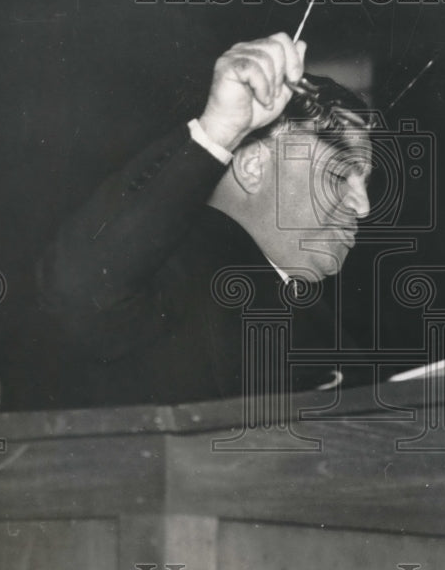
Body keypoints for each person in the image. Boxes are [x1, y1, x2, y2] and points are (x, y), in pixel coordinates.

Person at [35, 32, 373, 407]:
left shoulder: (313, 316)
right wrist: (219, 130)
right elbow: (78, 286)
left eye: (365, 183)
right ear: (253, 166)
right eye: (340, 176)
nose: (363, 207)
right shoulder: (171, 271)